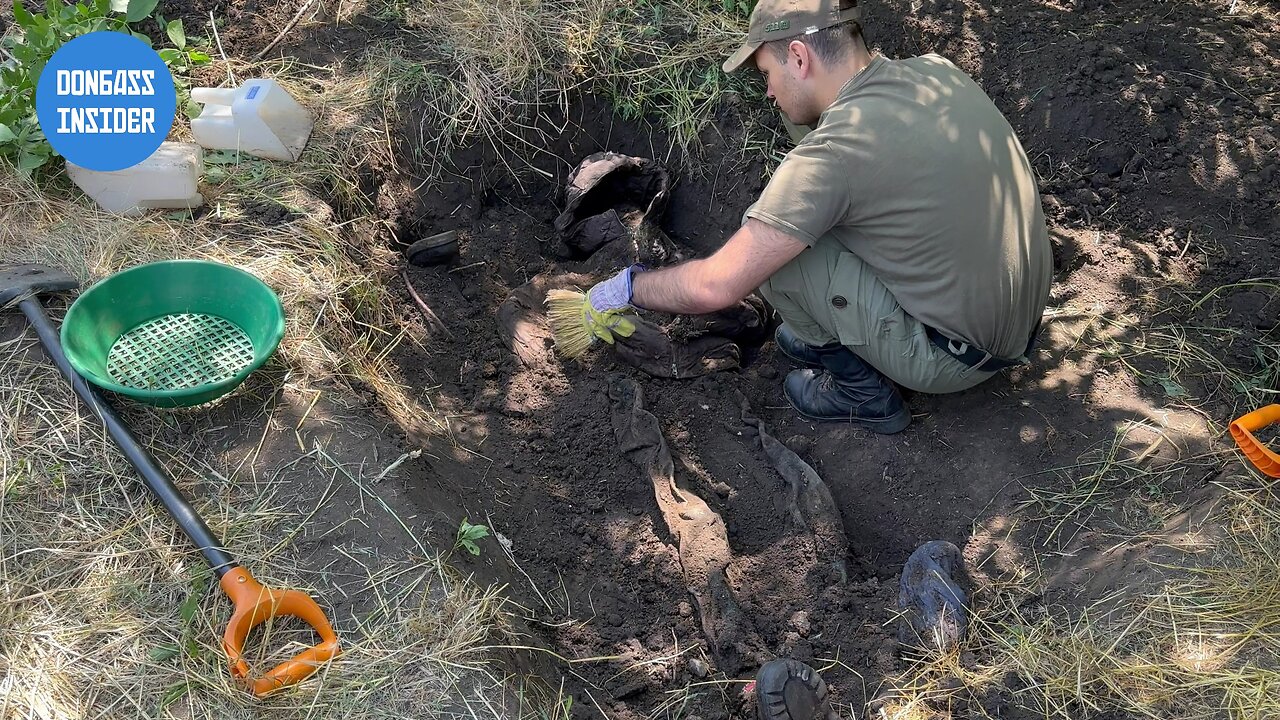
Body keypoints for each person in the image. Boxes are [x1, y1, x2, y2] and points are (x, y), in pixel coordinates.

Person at [583, 0, 1052, 434]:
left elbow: (716, 285)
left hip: (956, 358)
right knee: (806, 224)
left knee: (782, 260)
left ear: (799, 56)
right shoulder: (935, 72)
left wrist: (630, 287)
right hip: (1020, 317)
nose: (767, 91)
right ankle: (842, 333)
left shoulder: (835, 156)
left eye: (766, 72)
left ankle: (861, 393)